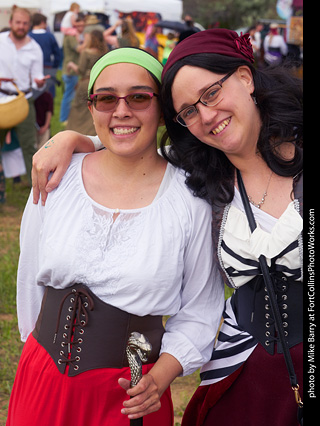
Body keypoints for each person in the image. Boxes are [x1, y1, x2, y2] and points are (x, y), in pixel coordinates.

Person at [32, 28, 303, 426]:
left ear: (245, 78)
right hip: (244, 369)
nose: (207, 116)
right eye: (189, 111)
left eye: (211, 93)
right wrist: (73, 139)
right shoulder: (201, 175)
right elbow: (128, 142)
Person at [7, 47, 225, 426]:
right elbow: (29, 277)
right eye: (106, 98)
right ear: (91, 107)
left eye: (139, 97)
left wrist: (160, 377)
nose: (121, 111)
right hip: (42, 382)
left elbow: (200, 308)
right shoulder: (57, 178)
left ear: (162, 109)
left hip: (130, 396)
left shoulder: (189, 198)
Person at [0, 6, 48, 184]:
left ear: (29, 25)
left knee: (30, 145)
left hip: (23, 102)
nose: (21, 26)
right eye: (18, 22)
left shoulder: (34, 48)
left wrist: (39, 82)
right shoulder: (1, 41)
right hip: (1, 101)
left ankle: (35, 186)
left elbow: (37, 76)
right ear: (11, 22)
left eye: (25, 23)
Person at [66, 30, 108, 135]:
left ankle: (76, 133)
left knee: (78, 110)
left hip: (86, 83)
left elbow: (81, 70)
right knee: (94, 110)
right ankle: (93, 133)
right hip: (100, 84)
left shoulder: (86, 52)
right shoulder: (104, 54)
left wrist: (71, 64)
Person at [59, 15, 86, 124]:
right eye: (79, 25)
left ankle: (66, 117)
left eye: (83, 25)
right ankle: (63, 118)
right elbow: (79, 49)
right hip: (70, 71)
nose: (82, 28)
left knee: (70, 95)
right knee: (68, 96)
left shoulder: (72, 35)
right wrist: (89, 42)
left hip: (71, 70)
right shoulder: (71, 36)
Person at [29, 13, 61, 99]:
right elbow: (57, 54)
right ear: (42, 22)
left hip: (30, 70)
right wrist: (54, 67)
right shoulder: (49, 36)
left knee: (32, 96)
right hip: (47, 68)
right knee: (47, 97)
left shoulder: (28, 36)